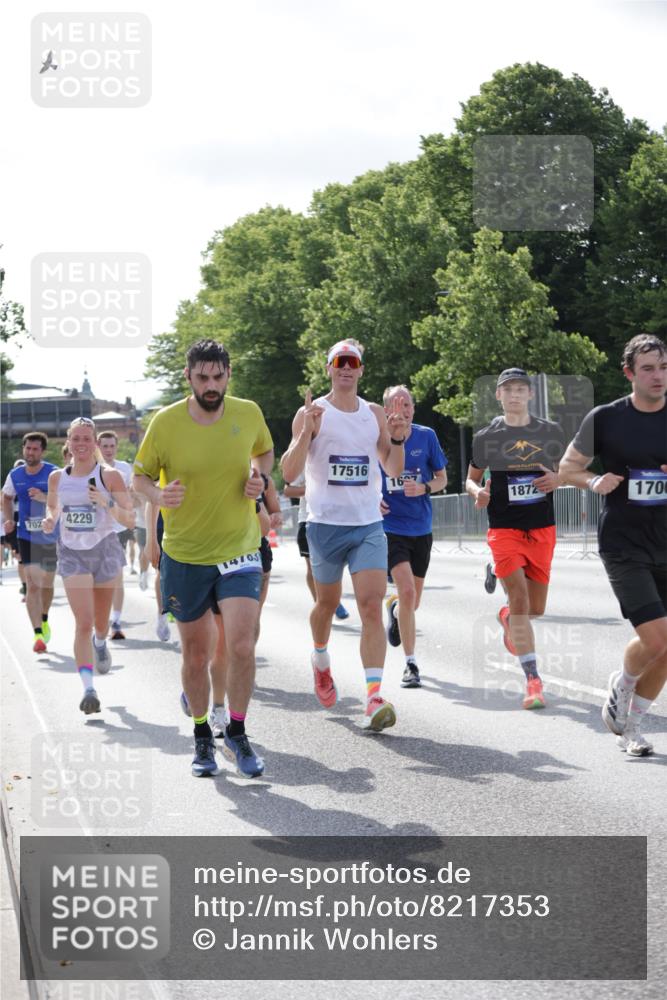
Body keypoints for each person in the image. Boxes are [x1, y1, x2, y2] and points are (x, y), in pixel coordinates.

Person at [133, 339, 274, 779]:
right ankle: (200, 736)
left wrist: (260, 477)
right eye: (202, 378)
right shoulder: (166, 422)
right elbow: (138, 477)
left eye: (218, 376)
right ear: (189, 378)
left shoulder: (247, 412)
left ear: (228, 374)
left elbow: (264, 452)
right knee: (196, 656)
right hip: (186, 554)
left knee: (241, 645)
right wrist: (158, 493)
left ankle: (236, 731)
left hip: (239, 549)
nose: (211, 385)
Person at [281, 339, 409, 731]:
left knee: (371, 606)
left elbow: (392, 470)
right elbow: (288, 473)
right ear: (329, 368)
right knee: (327, 603)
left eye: (353, 362)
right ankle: (320, 659)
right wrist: (307, 433)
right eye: (340, 362)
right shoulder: (311, 412)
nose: (346, 368)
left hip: (368, 524)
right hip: (324, 525)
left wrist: (399, 439)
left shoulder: (373, 414)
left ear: (361, 370)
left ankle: (373, 696)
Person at [559, 334, 667, 756]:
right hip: (624, 543)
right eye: (648, 369)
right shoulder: (605, 418)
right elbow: (568, 468)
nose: (658, 376)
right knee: (657, 639)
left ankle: (632, 727)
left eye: (662, 366)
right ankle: (621, 686)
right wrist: (593, 481)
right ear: (629, 373)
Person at [466, 368, 565, 710]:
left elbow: (569, 468)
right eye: (508, 390)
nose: (515, 395)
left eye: (521, 389)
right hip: (504, 528)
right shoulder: (486, 437)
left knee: (534, 608)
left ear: (530, 395)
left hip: (542, 528)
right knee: (522, 600)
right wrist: (477, 491)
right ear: (498, 396)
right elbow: (470, 479)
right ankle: (533, 680)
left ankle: (507, 616)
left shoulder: (549, 431)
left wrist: (558, 477)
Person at [42, 418, 135, 714]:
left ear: (94, 443)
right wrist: (50, 519)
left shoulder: (110, 476)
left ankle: (101, 641)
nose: (81, 444)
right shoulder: (57, 477)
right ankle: (88, 689)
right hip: (72, 552)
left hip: (105, 549)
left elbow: (130, 519)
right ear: (68, 442)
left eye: (86, 439)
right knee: (82, 622)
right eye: (76, 439)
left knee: (100, 622)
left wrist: (106, 503)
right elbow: (54, 506)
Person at [380, 386, 447, 688]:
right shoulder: (377, 436)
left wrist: (425, 488)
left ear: (413, 409)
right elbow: (365, 476)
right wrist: (371, 500)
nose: (402, 409)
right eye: (395, 404)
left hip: (421, 527)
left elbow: (442, 477)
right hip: (390, 527)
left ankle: (394, 610)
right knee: (407, 592)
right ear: (385, 411)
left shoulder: (426, 435)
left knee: (412, 601)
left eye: (406, 404)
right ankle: (411, 664)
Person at [2, 434, 59, 651]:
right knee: (33, 585)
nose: (30, 453)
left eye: (35, 449)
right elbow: (6, 497)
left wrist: (45, 497)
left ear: (42, 452)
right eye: (27, 448)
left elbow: (64, 498)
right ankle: (37, 635)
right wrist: (9, 519)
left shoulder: (54, 472)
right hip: (26, 535)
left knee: (47, 584)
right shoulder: (15, 475)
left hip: (49, 535)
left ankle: (44, 618)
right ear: (23, 449)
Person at [283, 471, 350, 620]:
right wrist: (313, 489)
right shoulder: (307, 458)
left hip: (338, 521)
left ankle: (331, 599)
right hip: (309, 519)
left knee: (334, 565)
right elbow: (288, 491)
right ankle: (321, 603)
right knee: (312, 567)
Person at [97, 431, 134, 640]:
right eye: (105, 446)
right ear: (98, 447)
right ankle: (99, 620)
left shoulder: (124, 468)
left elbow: (130, 499)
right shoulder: (90, 468)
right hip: (95, 531)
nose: (109, 450)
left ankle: (117, 622)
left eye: (112, 446)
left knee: (116, 577)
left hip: (117, 529)